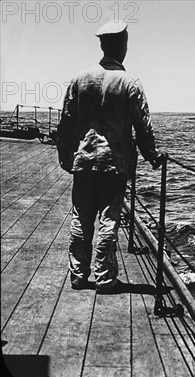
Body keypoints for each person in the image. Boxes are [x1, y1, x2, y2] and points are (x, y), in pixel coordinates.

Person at [57, 20, 162, 293]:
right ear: (122, 46)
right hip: (114, 164)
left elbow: (66, 123)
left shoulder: (80, 80)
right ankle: (105, 278)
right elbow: (142, 125)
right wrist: (152, 155)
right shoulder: (129, 82)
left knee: (81, 218)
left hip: (84, 160)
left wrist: (65, 156)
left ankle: (78, 275)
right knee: (108, 220)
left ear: (102, 45)